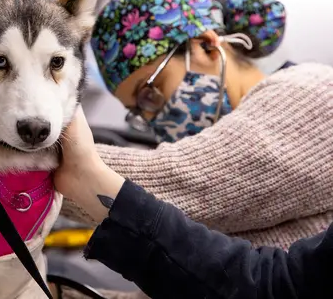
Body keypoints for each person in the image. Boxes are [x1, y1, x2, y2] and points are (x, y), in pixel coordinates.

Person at [58, 0, 333, 297]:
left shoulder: (311, 92)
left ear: (205, 46)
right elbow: (207, 277)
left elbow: (180, 185)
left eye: (149, 94)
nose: (151, 118)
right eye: (138, 110)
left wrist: (27, 150)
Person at [55, 108, 333, 299]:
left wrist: (53, 165)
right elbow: (272, 286)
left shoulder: (315, 93)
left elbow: (195, 187)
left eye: (150, 91)